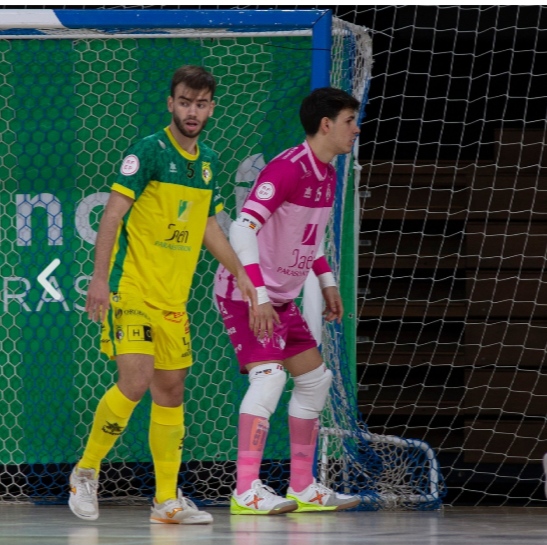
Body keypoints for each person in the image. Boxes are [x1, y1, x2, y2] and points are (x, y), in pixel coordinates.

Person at [69, 65, 257, 525]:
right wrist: (99, 279)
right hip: (133, 290)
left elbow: (210, 226)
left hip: (174, 301)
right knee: (135, 381)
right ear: (170, 104)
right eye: (185, 102)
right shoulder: (148, 152)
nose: (193, 111)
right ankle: (85, 471)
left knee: (170, 392)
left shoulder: (208, 162)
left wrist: (242, 273)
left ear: (211, 107)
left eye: (201, 103)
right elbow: (111, 216)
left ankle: (166, 500)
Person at [214, 87, 362, 515]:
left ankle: (302, 486)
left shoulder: (329, 172)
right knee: (270, 379)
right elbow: (242, 230)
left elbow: (308, 239)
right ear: (327, 124)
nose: (356, 129)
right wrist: (257, 294)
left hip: (279, 297)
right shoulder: (288, 168)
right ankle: (245, 490)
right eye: (350, 121)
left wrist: (328, 281)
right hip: (245, 294)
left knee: (316, 381)